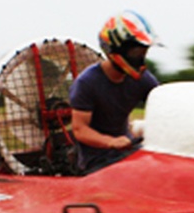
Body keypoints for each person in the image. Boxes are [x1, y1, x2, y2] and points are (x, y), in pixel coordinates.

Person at [69, 10, 161, 173]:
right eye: (136, 52)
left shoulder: (143, 79)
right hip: (96, 161)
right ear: (116, 50)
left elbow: (162, 104)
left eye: (143, 52)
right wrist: (111, 142)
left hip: (127, 151)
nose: (140, 58)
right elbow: (80, 130)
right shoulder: (87, 83)